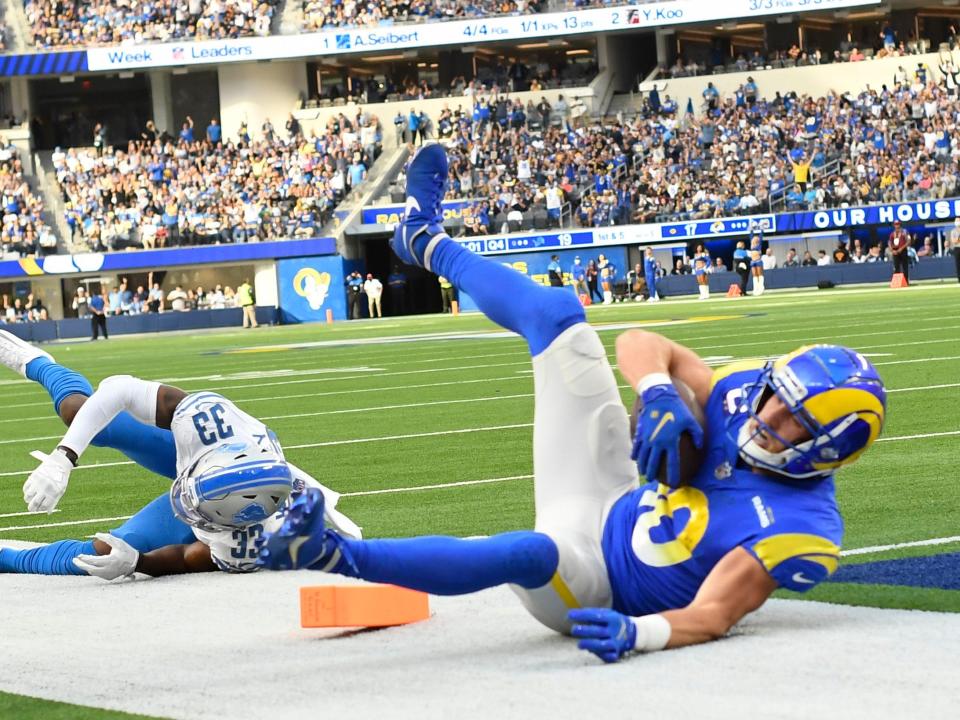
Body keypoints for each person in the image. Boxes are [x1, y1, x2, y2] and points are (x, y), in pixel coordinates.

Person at [256, 143, 888, 663]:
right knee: (560, 317)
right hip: (613, 494)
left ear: (825, 453)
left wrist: (643, 634)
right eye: (777, 397)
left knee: (529, 552)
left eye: (789, 420)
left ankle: (331, 553)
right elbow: (643, 341)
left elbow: (715, 613)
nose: (767, 415)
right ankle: (424, 238)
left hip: (601, 583)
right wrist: (659, 391)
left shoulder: (801, 531)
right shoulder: (748, 391)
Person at [0, 330, 358, 579]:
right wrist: (63, 457)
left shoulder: (259, 536)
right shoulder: (206, 424)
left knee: (101, 555)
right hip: (207, 452)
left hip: (229, 484)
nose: (184, 500)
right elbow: (118, 389)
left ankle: (7, 559)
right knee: (83, 416)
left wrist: (137, 562)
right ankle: (38, 363)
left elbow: (188, 559)